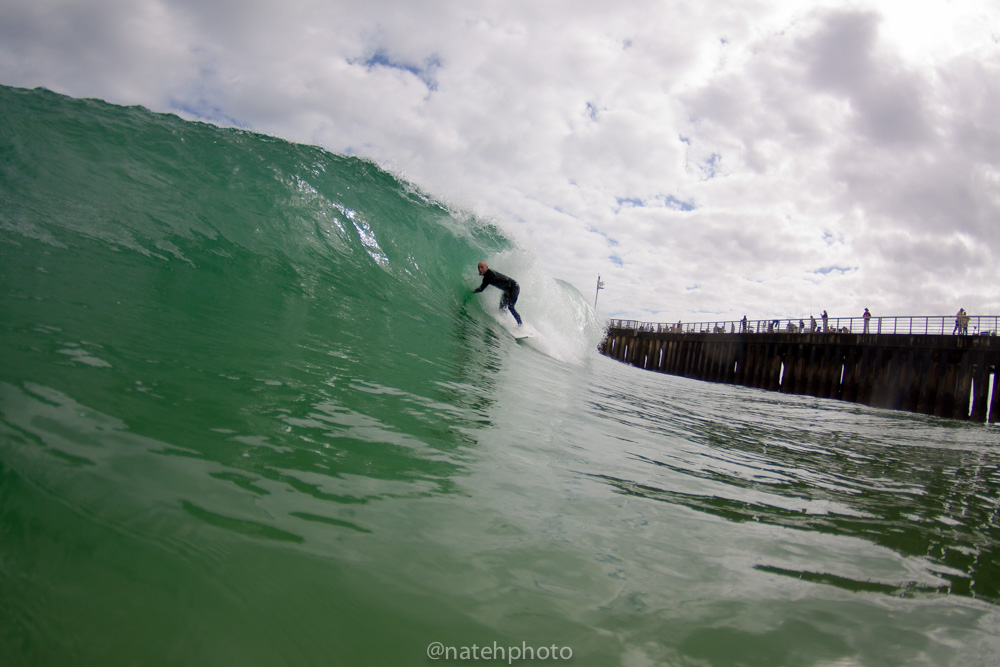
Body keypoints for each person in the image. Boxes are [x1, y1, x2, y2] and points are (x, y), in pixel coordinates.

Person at [473, 261, 522, 326]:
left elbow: (481, 289)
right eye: (479, 268)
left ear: (486, 267)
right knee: (501, 308)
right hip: (507, 290)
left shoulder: (488, 276)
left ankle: (520, 324)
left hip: (514, 287)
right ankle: (506, 322)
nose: (480, 269)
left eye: (482, 267)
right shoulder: (488, 274)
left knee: (510, 306)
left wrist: (472, 291)